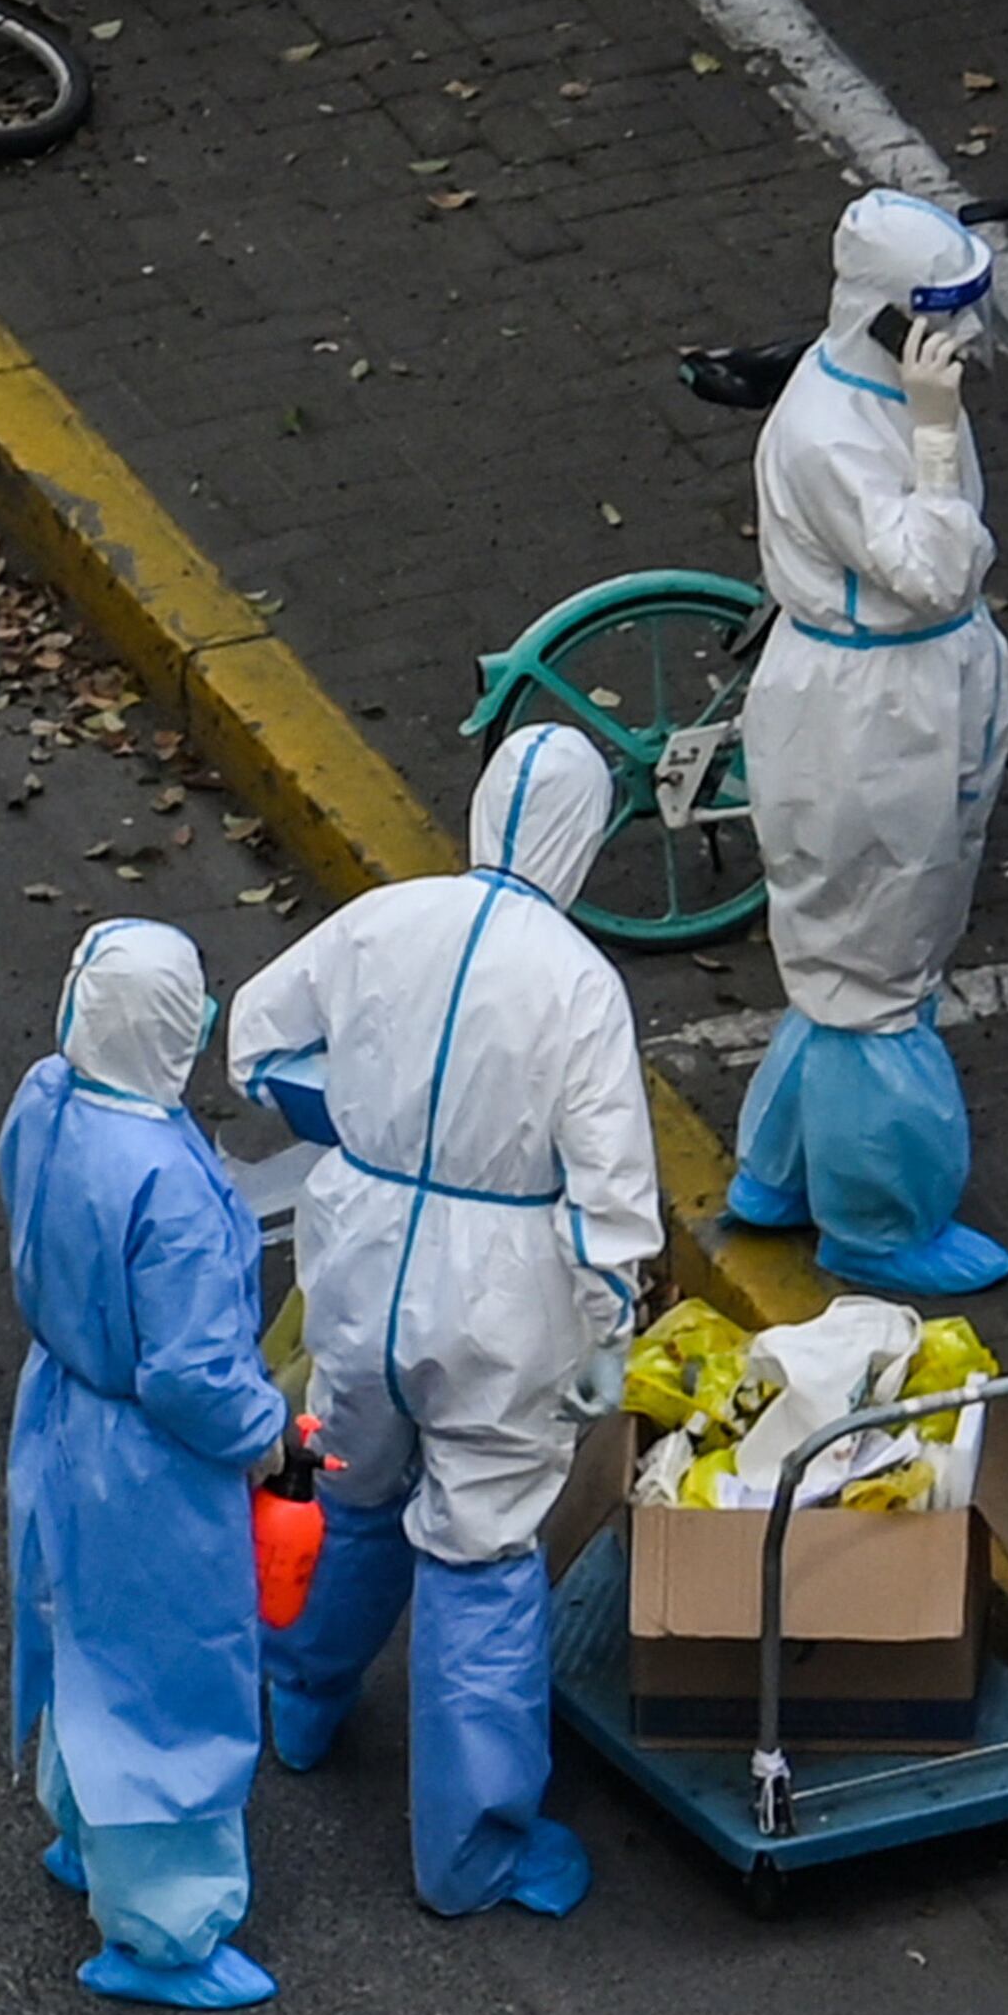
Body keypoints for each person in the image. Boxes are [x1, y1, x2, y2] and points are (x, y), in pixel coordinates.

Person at [232, 725, 663, 1917]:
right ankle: (469, 1852)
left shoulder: (384, 919)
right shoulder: (580, 983)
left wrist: (371, 1128)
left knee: (352, 1491)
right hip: (501, 1292)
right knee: (479, 1551)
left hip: (360, 1260)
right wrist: (606, 1325)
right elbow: (609, 1195)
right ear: (583, 840)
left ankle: (303, 1706)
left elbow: (255, 1044)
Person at [727, 188, 1008, 1297]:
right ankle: (879, 1216)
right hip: (869, 722)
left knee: (848, 960)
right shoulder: (834, 430)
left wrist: (996, 670)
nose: (958, 340)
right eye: (940, 315)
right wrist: (937, 434)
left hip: (914, 687)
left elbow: (945, 602)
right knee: (875, 976)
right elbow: (933, 568)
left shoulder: (881, 399)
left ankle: (779, 1170)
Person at [0, 918, 290, 2009]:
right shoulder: (165, 1180)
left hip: (62, 1411)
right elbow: (191, 1374)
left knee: (78, 1638)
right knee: (165, 1683)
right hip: (148, 1464)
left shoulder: (46, 1100)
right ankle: (162, 1929)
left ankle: (82, 1832)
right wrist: (266, 1434)